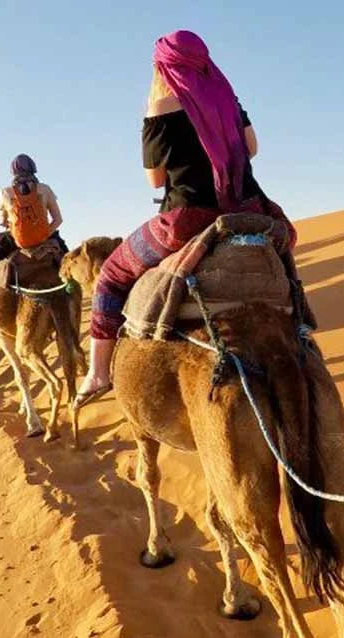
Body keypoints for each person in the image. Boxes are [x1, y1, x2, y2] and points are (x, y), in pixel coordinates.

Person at [75, 30, 297, 407]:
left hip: (187, 218)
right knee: (282, 252)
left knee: (110, 276)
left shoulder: (160, 108)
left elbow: (156, 179)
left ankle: (98, 372)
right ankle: (303, 328)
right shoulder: (228, 99)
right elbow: (253, 148)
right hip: (247, 206)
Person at [0, 154, 67, 321]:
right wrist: (44, 234)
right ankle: (75, 289)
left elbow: (4, 222)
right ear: (33, 168)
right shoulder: (45, 189)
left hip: (18, 241)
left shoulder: (5, 192)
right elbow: (58, 219)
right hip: (46, 237)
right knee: (69, 260)